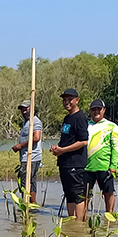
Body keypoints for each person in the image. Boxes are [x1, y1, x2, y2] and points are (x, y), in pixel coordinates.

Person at [51, 88, 89, 221]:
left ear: (77, 100)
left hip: (76, 163)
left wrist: (63, 150)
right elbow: (67, 139)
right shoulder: (67, 118)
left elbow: (83, 141)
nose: (66, 102)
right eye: (64, 100)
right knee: (69, 194)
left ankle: (79, 224)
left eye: (69, 99)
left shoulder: (80, 118)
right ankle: (72, 224)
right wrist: (58, 147)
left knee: (78, 194)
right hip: (65, 163)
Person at [85, 99, 118, 213]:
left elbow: (116, 147)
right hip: (86, 166)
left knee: (108, 192)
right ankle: (83, 217)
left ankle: (109, 217)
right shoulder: (85, 125)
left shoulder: (112, 126)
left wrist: (113, 165)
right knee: (84, 194)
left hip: (104, 166)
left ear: (103, 110)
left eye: (98, 109)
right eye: (93, 109)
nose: (96, 112)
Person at [11, 100, 43, 204]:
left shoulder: (35, 121)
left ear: (32, 108)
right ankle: (31, 204)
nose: (24, 112)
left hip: (32, 156)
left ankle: (28, 203)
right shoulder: (26, 123)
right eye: (22, 110)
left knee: (24, 180)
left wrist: (20, 146)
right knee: (30, 181)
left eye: (26, 109)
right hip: (25, 156)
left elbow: (36, 137)